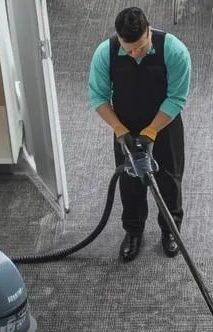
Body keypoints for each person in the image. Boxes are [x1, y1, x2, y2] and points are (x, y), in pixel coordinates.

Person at [87, 8, 191, 262]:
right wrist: (120, 131)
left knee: (169, 179)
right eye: (128, 48)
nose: (134, 54)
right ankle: (134, 231)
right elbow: (99, 98)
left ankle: (170, 230)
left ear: (149, 31)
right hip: (125, 127)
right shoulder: (105, 53)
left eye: (140, 47)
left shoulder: (174, 50)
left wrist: (152, 130)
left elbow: (177, 97)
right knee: (130, 182)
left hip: (165, 125)